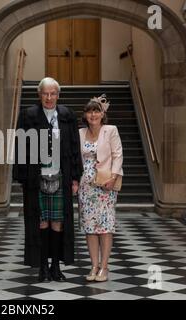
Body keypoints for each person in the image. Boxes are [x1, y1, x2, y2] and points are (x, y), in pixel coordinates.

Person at [14, 77, 81, 282]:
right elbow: (20, 148)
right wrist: (24, 178)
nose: (49, 97)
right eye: (45, 93)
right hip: (36, 178)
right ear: (39, 95)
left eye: (53, 94)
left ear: (58, 95)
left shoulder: (67, 116)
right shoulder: (28, 115)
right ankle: (42, 266)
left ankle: (55, 267)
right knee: (41, 222)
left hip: (61, 176)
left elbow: (74, 147)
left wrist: (76, 178)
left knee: (58, 223)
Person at [78, 95, 123, 282]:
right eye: (90, 111)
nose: (93, 114)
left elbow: (118, 154)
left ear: (102, 114)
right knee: (90, 227)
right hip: (86, 186)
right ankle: (94, 266)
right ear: (85, 115)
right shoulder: (80, 133)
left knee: (105, 227)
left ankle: (104, 267)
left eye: (96, 111)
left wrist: (113, 178)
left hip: (105, 185)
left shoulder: (110, 130)